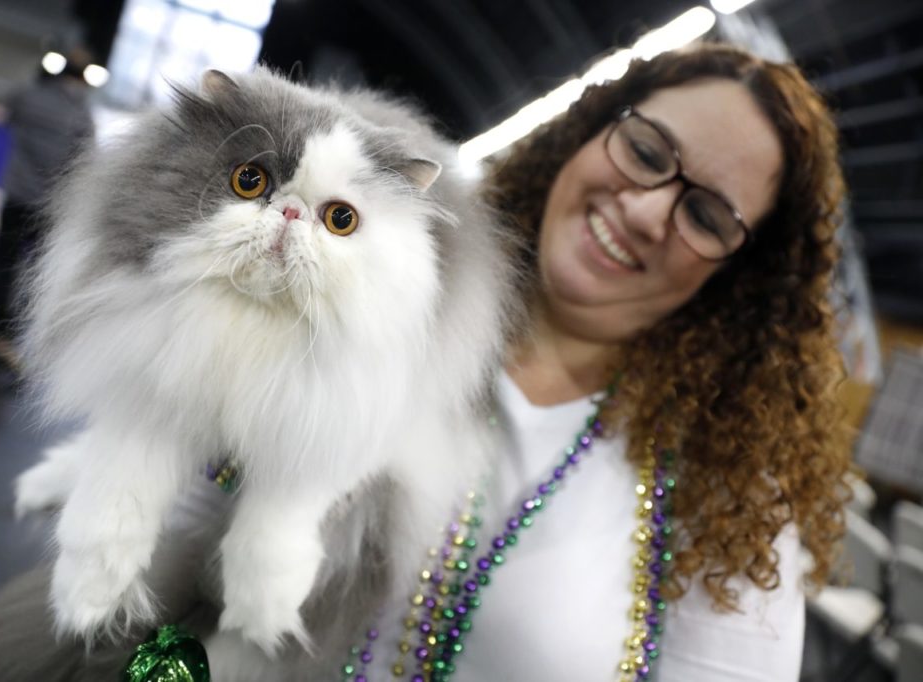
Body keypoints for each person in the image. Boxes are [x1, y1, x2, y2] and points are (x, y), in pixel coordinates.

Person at [351, 42, 850, 682]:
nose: (646, 213)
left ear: (736, 278)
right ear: (588, 132)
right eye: (645, 152)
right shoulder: (377, 302)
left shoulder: (729, 504)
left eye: (705, 215)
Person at [0, 48, 94, 371]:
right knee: (37, 275)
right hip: (48, 207)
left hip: (17, 194)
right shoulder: (81, 114)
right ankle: (23, 337)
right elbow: (86, 159)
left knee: (4, 266)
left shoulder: (26, 96)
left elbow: (3, 118)